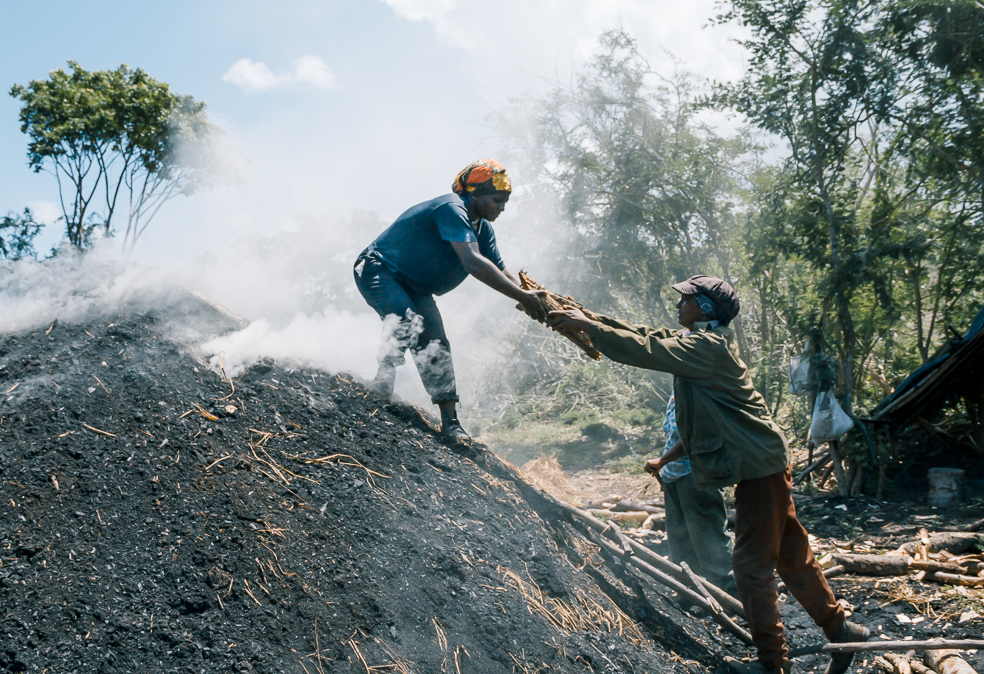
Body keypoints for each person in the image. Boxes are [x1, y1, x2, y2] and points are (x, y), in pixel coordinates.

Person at [546, 275, 868, 674]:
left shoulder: (708, 348)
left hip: (760, 466)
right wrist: (591, 319)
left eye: (686, 299)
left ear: (706, 308)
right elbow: (648, 334)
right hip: (762, 463)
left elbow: (649, 349)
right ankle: (842, 630)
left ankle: (772, 663)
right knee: (791, 556)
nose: (678, 306)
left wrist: (591, 330)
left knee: (750, 567)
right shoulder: (698, 341)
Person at [354, 159, 547, 443]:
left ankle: (451, 423)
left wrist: (536, 299)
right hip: (378, 269)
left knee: (436, 341)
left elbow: (499, 268)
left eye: (505, 202)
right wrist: (522, 297)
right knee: (404, 319)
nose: (502, 208)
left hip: (416, 286)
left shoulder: (482, 229)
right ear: (475, 194)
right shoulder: (451, 207)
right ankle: (382, 385)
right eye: (497, 200)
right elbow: (473, 261)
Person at [645, 381, 736, 594]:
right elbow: (674, 435)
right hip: (673, 476)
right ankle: (690, 592)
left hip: (696, 476)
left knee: (709, 539)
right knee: (679, 540)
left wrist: (663, 461)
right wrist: (665, 469)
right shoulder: (676, 391)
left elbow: (695, 436)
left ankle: (730, 595)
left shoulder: (699, 389)